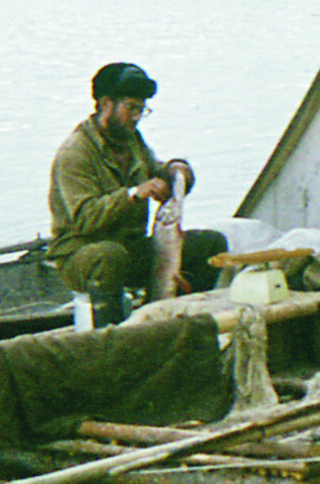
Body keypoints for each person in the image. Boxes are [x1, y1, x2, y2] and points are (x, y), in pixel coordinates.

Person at [47, 61, 227, 326]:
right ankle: (112, 339)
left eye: (142, 109)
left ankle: (179, 324)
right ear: (106, 103)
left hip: (128, 249)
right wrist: (134, 194)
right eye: (131, 108)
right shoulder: (75, 153)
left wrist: (177, 169)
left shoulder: (131, 140)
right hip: (80, 256)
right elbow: (85, 218)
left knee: (211, 244)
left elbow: (157, 170)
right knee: (109, 255)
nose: (136, 116)